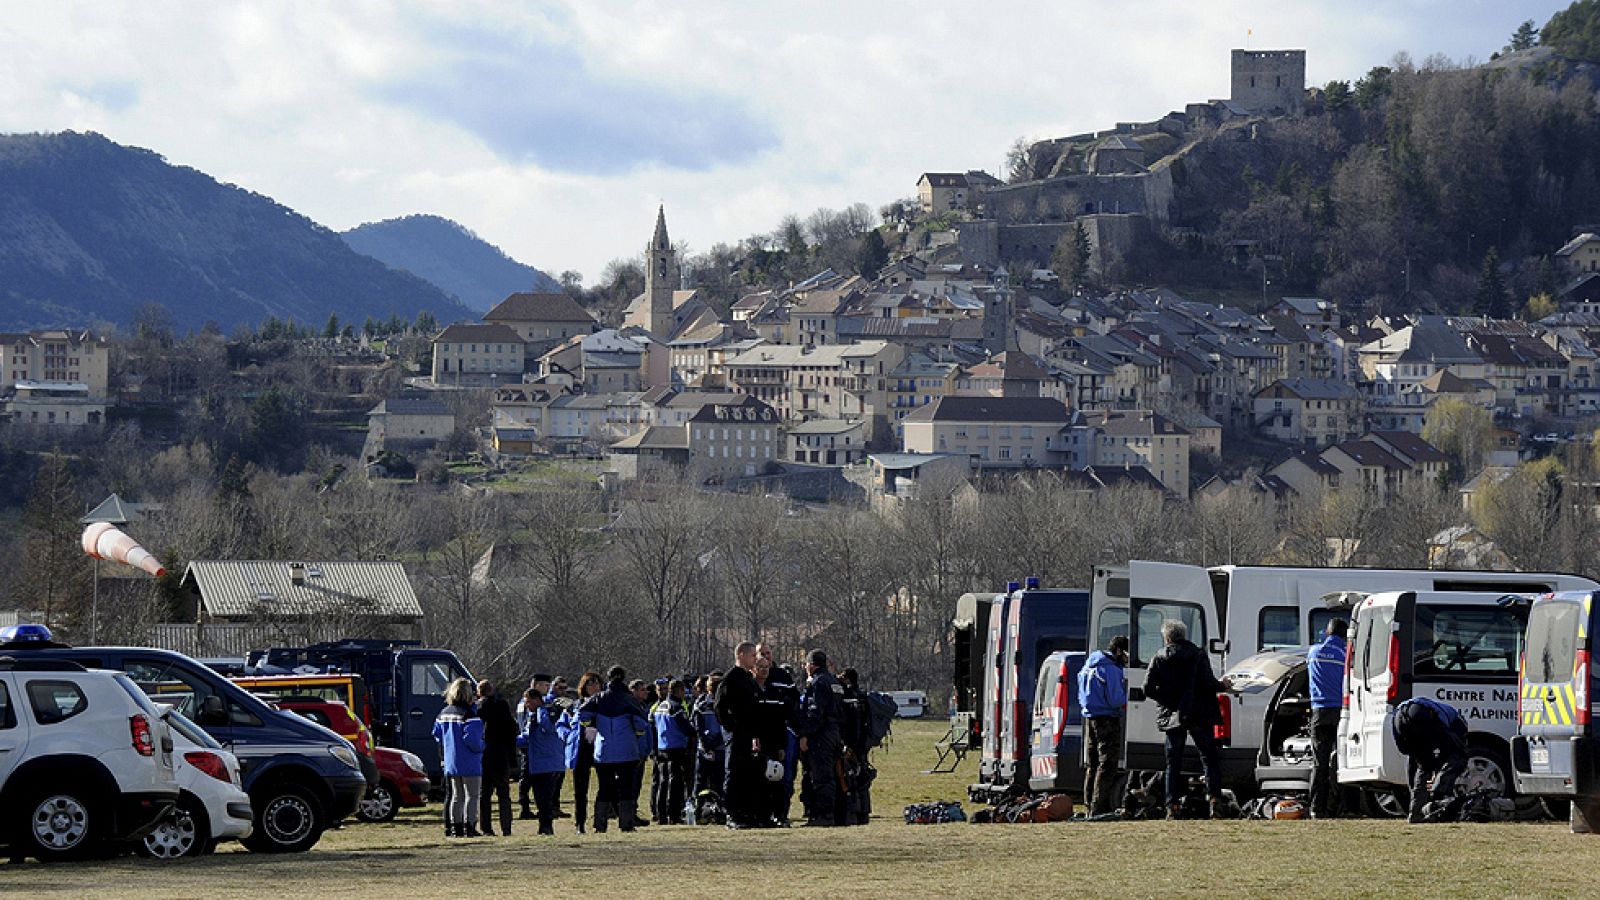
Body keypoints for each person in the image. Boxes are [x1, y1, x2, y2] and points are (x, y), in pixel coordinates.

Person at [1144, 620, 1228, 820]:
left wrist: (1167, 701)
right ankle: (1215, 801)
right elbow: (1208, 683)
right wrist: (1223, 685)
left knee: (1173, 762)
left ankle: (1171, 806)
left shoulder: (1159, 657)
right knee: (1209, 758)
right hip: (1199, 712)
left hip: (1173, 715)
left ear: (1167, 638)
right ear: (1184, 635)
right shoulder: (1198, 655)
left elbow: (1147, 688)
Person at [578, 666, 650, 832]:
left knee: (604, 787)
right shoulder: (628, 699)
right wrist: (639, 738)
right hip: (627, 750)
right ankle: (626, 824)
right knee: (626, 788)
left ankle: (600, 825)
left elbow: (583, 713)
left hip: (603, 751)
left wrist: (591, 727)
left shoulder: (598, 699)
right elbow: (640, 723)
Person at [1392, 697, 1469, 824]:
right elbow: (1449, 751)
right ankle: (1438, 798)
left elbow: (1412, 757)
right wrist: (1436, 776)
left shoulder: (1444, 714)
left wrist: (1431, 772)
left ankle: (1416, 813)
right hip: (1420, 713)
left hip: (1398, 718)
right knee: (1459, 756)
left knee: (1422, 764)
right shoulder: (1459, 724)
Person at [714, 642, 764, 829]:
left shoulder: (748, 679)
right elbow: (719, 707)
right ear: (741, 655)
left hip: (749, 735)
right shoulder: (730, 679)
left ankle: (747, 812)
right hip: (736, 734)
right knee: (734, 773)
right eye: (752, 655)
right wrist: (731, 727)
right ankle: (732, 814)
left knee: (747, 774)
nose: (755, 659)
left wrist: (755, 734)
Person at [1078, 635, 1130, 817]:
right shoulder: (1111, 669)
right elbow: (1116, 699)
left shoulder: (1089, 665)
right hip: (1107, 719)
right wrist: (1129, 698)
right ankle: (1099, 806)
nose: (1127, 660)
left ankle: (1088, 803)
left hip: (1090, 718)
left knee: (1092, 764)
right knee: (1107, 764)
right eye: (1126, 655)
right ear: (1119, 651)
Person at [797, 649, 846, 827]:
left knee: (821, 776)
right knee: (831, 774)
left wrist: (805, 734)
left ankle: (823, 815)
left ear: (811, 665)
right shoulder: (835, 682)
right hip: (834, 732)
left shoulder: (817, 683)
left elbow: (814, 712)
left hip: (821, 734)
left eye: (806, 664)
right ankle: (832, 813)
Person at [432, 677, 485, 838]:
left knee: (457, 796)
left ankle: (456, 828)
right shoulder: (470, 715)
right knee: (472, 795)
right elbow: (472, 740)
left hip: (451, 761)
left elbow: (436, 734)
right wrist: (484, 746)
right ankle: (470, 826)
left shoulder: (444, 713)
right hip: (469, 761)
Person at [1307, 619, 1348, 819]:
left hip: (1319, 712)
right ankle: (1338, 807)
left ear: (1327, 633)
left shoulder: (1313, 652)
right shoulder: (1345, 655)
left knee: (1319, 763)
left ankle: (1316, 808)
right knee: (1340, 762)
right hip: (1340, 712)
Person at [558, 672, 602, 833]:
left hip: (599, 749)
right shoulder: (574, 706)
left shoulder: (604, 705)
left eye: (597, 684)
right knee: (580, 791)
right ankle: (580, 823)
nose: (594, 687)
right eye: (590, 684)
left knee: (605, 786)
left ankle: (600, 821)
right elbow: (561, 725)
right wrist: (569, 736)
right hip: (580, 750)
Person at [517, 689, 565, 835]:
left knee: (545, 798)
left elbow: (548, 728)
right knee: (539, 797)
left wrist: (542, 712)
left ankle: (547, 826)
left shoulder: (548, 713)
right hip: (536, 763)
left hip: (549, 762)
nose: (526, 706)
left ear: (537, 700)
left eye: (528, 702)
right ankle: (543, 826)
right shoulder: (531, 716)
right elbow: (526, 736)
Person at [475, 680, 518, 837]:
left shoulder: (477, 708)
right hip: (501, 753)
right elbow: (511, 731)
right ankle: (506, 827)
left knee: (484, 794)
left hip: (484, 754)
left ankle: (486, 827)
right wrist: (512, 757)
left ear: (479, 692)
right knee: (503, 793)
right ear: (492, 690)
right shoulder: (502, 706)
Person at [652, 679, 695, 825]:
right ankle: (673, 814)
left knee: (662, 782)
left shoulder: (660, 706)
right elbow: (686, 728)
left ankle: (660, 814)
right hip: (675, 747)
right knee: (674, 782)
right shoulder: (676, 707)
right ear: (679, 691)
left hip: (661, 746)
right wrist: (694, 732)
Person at [518, 674, 553, 821]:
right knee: (532, 781)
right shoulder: (532, 705)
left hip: (525, 743)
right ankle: (527, 808)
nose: (548, 688)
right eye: (546, 685)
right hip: (531, 745)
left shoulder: (522, 703)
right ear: (537, 685)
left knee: (526, 780)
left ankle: (526, 807)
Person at [839, 667, 871, 825]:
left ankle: (853, 813)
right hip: (863, 744)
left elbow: (850, 723)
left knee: (851, 778)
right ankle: (865, 813)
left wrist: (847, 744)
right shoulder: (863, 696)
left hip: (852, 744)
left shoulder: (848, 696)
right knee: (863, 778)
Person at [694, 672, 726, 801]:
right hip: (719, 747)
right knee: (719, 781)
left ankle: (697, 806)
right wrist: (713, 745)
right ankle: (719, 807)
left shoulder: (699, 703)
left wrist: (705, 745)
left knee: (700, 780)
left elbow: (697, 726)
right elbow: (725, 727)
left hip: (703, 747)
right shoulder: (724, 704)